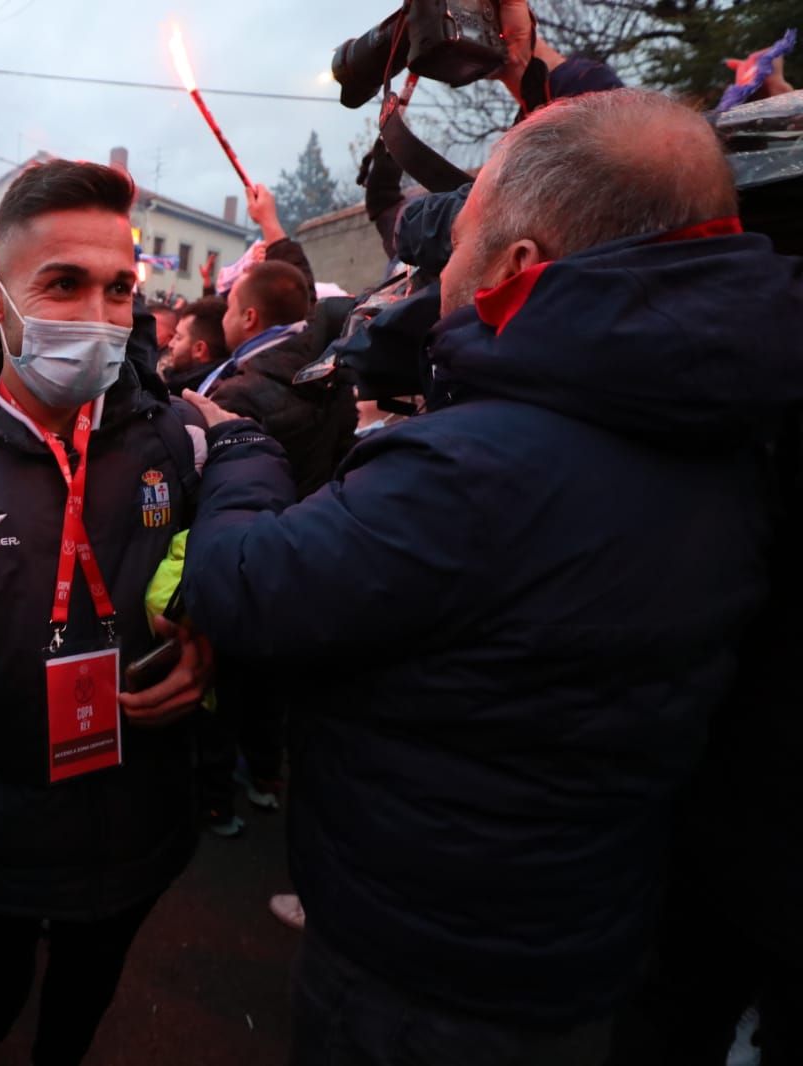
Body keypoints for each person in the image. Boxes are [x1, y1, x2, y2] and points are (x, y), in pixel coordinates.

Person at [181, 88, 803, 1065]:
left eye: (458, 240)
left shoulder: (475, 474)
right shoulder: (728, 435)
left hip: (423, 966)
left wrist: (241, 453)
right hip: (580, 939)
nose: (434, 272)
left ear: (519, 267)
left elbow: (247, 584)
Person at [0, 159, 227, 1066]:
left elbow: (243, 557)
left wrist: (216, 637)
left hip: (141, 822)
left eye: (119, 290)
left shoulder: (182, 438)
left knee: (80, 1010)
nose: (99, 317)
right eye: (63, 284)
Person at [205, 261, 356, 499]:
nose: (223, 319)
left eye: (229, 308)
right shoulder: (331, 370)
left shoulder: (237, 395)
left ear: (248, 317)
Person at [160, 296, 227, 396]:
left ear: (199, 349)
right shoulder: (175, 382)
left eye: (178, 338)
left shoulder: (209, 398)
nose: (170, 344)